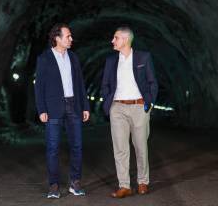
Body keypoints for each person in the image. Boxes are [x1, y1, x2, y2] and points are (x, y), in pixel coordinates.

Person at [101, 26, 158, 198]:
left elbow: (152, 82)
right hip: (117, 108)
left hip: (139, 107)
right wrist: (109, 104)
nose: (112, 41)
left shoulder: (143, 57)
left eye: (115, 38)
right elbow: (105, 85)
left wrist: (150, 103)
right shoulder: (111, 60)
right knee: (120, 148)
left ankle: (142, 182)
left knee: (140, 146)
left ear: (125, 39)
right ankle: (124, 185)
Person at [34, 23, 90, 199]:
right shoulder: (44, 58)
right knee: (52, 148)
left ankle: (75, 183)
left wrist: (86, 106)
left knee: (77, 146)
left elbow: (80, 84)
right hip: (53, 107)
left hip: (74, 105)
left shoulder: (73, 57)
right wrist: (42, 109)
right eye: (68, 36)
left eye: (71, 36)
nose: (71, 39)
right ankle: (54, 185)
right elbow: (39, 86)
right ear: (57, 38)